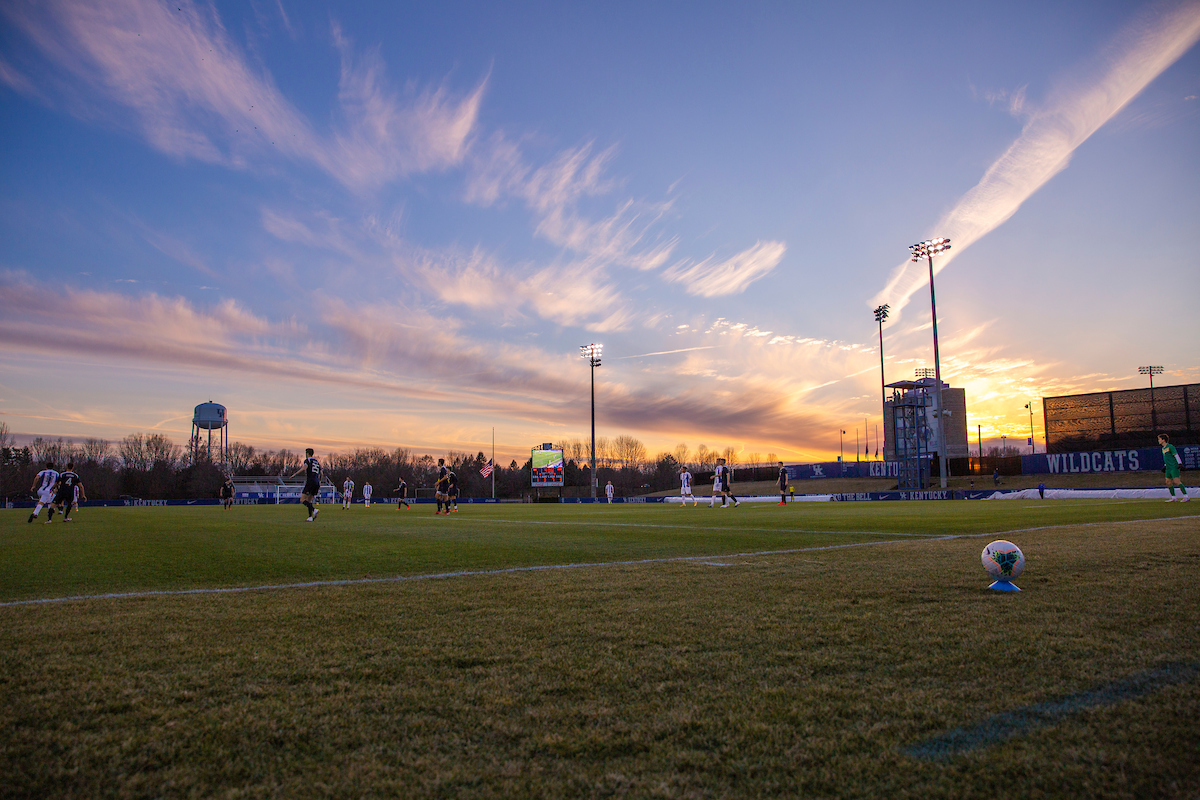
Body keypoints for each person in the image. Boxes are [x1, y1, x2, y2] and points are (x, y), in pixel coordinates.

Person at [290, 448, 322, 521]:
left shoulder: (308, 460)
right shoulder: (316, 462)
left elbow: (304, 468)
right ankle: (310, 517)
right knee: (309, 500)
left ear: (307, 453)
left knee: (302, 499)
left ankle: (314, 510)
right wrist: (319, 481)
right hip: (317, 482)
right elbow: (321, 473)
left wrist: (294, 474)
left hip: (310, 481)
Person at [1159, 434, 1189, 502]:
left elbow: (1176, 455)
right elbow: (1167, 458)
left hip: (1174, 467)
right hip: (1168, 467)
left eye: (1159, 439)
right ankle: (1174, 497)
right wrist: (1165, 465)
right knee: (1168, 482)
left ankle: (1186, 496)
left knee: (1176, 481)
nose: (1159, 441)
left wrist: (1180, 464)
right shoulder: (1163, 448)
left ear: (1163, 440)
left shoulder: (1170, 446)